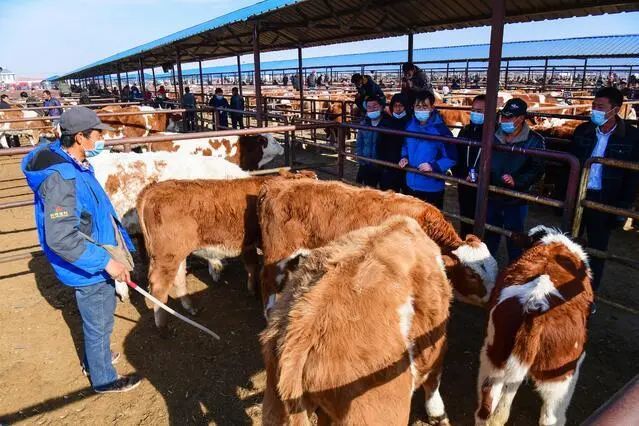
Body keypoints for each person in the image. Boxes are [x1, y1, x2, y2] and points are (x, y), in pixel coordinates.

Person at [21, 106, 141, 393]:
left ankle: (95, 358)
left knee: (99, 315)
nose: (102, 138)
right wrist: (106, 262)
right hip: (90, 264)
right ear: (79, 137)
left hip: (95, 251)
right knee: (99, 317)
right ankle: (104, 378)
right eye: (97, 133)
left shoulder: (71, 162)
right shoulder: (63, 179)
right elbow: (61, 237)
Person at [571, 87, 639, 298]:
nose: (594, 110)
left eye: (600, 107)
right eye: (593, 106)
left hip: (605, 198)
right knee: (566, 242)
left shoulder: (632, 137)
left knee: (597, 249)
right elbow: (569, 165)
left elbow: (632, 177)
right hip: (578, 195)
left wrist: (622, 208)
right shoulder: (583, 130)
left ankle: (589, 294)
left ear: (615, 109)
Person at [484, 98, 545, 262]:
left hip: (516, 197)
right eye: (503, 116)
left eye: (509, 117)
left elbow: (537, 169)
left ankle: (515, 269)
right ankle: (488, 266)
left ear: (521, 118)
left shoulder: (535, 141)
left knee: (515, 237)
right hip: (491, 193)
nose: (504, 120)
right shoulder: (493, 134)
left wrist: (517, 181)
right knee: (490, 233)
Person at [399, 90, 456, 209]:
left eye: (425, 106)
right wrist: (404, 157)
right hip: (410, 183)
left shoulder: (441, 130)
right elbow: (405, 144)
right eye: (418, 106)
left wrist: (433, 166)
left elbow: (452, 157)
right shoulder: (410, 125)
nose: (421, 110)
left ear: (432, 108)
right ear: (413, 107)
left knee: (430, 223)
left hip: (431, 187)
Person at [454, 94, 485, 238]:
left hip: (483, 185)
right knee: (465, 216)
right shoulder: (465, 130)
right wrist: (458, 174)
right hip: (464, 182)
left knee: (481, 219)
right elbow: (456, 154)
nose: (475, 113)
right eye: (473, 110)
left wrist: (479, 175)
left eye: (480, 111)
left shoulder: (494, 133)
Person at [377, 93, 411, 192]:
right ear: (391, 107)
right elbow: (380, 145)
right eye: (395, 106)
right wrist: (382, 164)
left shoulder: (411, 123)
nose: (398, 109)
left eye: (401, 105)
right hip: (389, 166)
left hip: (407, 167)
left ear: (406, 107)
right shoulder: (386, 123)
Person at [355, 94, 385, 188]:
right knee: (369, 189)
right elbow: (359, 142)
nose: (372, 109)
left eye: (375, 106)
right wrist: (360, 158)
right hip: (367, 162)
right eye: (369, 107)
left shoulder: (387, 123)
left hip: (382, 164)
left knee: (385, 190)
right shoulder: (364, 124)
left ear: (381, 107)